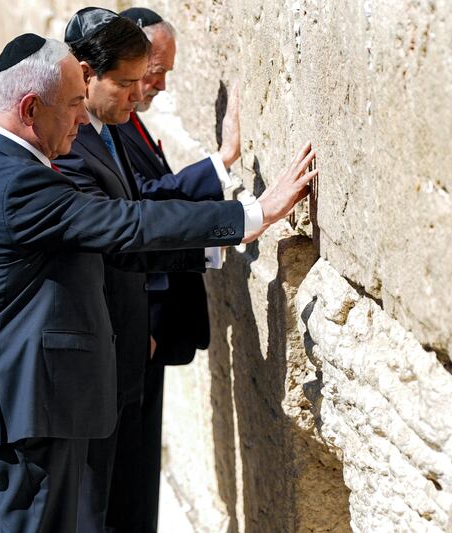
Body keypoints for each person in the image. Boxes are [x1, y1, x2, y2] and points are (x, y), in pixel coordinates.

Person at [0, 32, 315, 532]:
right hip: (25, 405)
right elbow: (128, 225)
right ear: (30, 108)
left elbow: (115, 249)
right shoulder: (17, 184)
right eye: (73, 104)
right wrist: (254, 213)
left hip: (27, 400)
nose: (80, 118)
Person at [53, 8, 316, 532]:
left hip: (130, 344)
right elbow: (134, 225)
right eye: (137, 77)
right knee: (102, 505)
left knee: (131, 495)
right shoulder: (72, 148)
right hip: (109, 348)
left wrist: (224, 165)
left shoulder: (113, 125)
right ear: (89, 74)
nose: (145, 91)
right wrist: (253, 214)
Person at [108, 7, 243, 531]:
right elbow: (142, 210)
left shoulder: (128, 118)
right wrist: (221, 161)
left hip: (150, 333)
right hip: (135, 333)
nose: (161, 84)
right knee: (123, 485)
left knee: (139, 483)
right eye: (154, 70)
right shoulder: (103, 127)